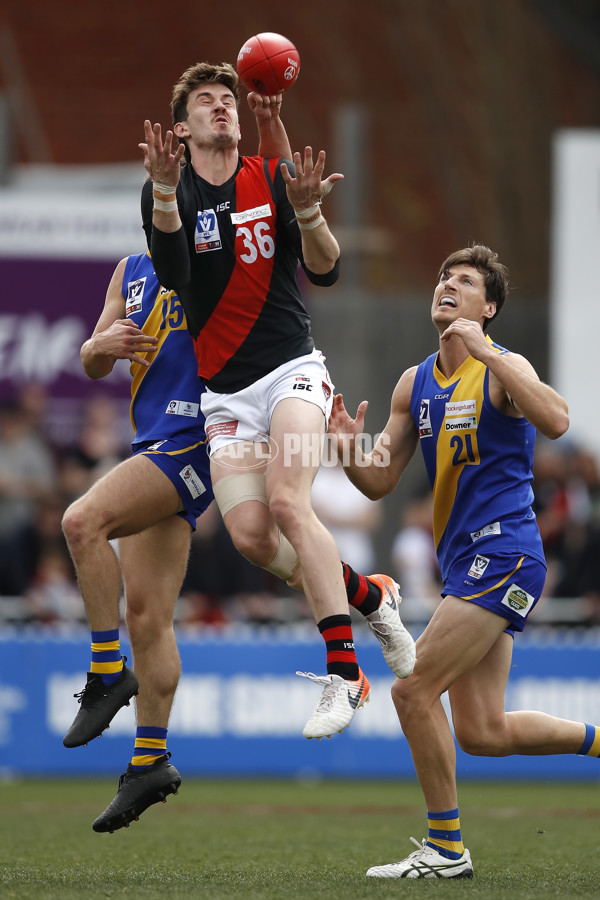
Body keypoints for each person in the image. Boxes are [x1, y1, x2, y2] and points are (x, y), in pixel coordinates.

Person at [138, 61, 415, 741]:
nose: (221, 107)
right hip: (225, 396)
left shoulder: (269, 176)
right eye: (205, 101)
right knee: (256, 538)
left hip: (292, 371)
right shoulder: (165, 190)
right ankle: (369, 596)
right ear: (182, 127)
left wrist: (312, 210)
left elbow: (325, 266)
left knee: (291, 503)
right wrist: (168, 195)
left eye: (227, 98)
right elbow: (174, 276)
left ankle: (345, 674)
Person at [328, 245, 599, 879]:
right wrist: (345, 449)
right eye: (444, 276)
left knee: (412, 688)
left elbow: (558, 419)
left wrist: (488, 350)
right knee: (482, 730)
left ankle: (446, 850)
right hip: (467, 566)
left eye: (466, 281)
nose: (448, 286)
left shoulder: (501, 367)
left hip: (504, 552)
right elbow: (377, 481)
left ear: (490, 307)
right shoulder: (413, 382)